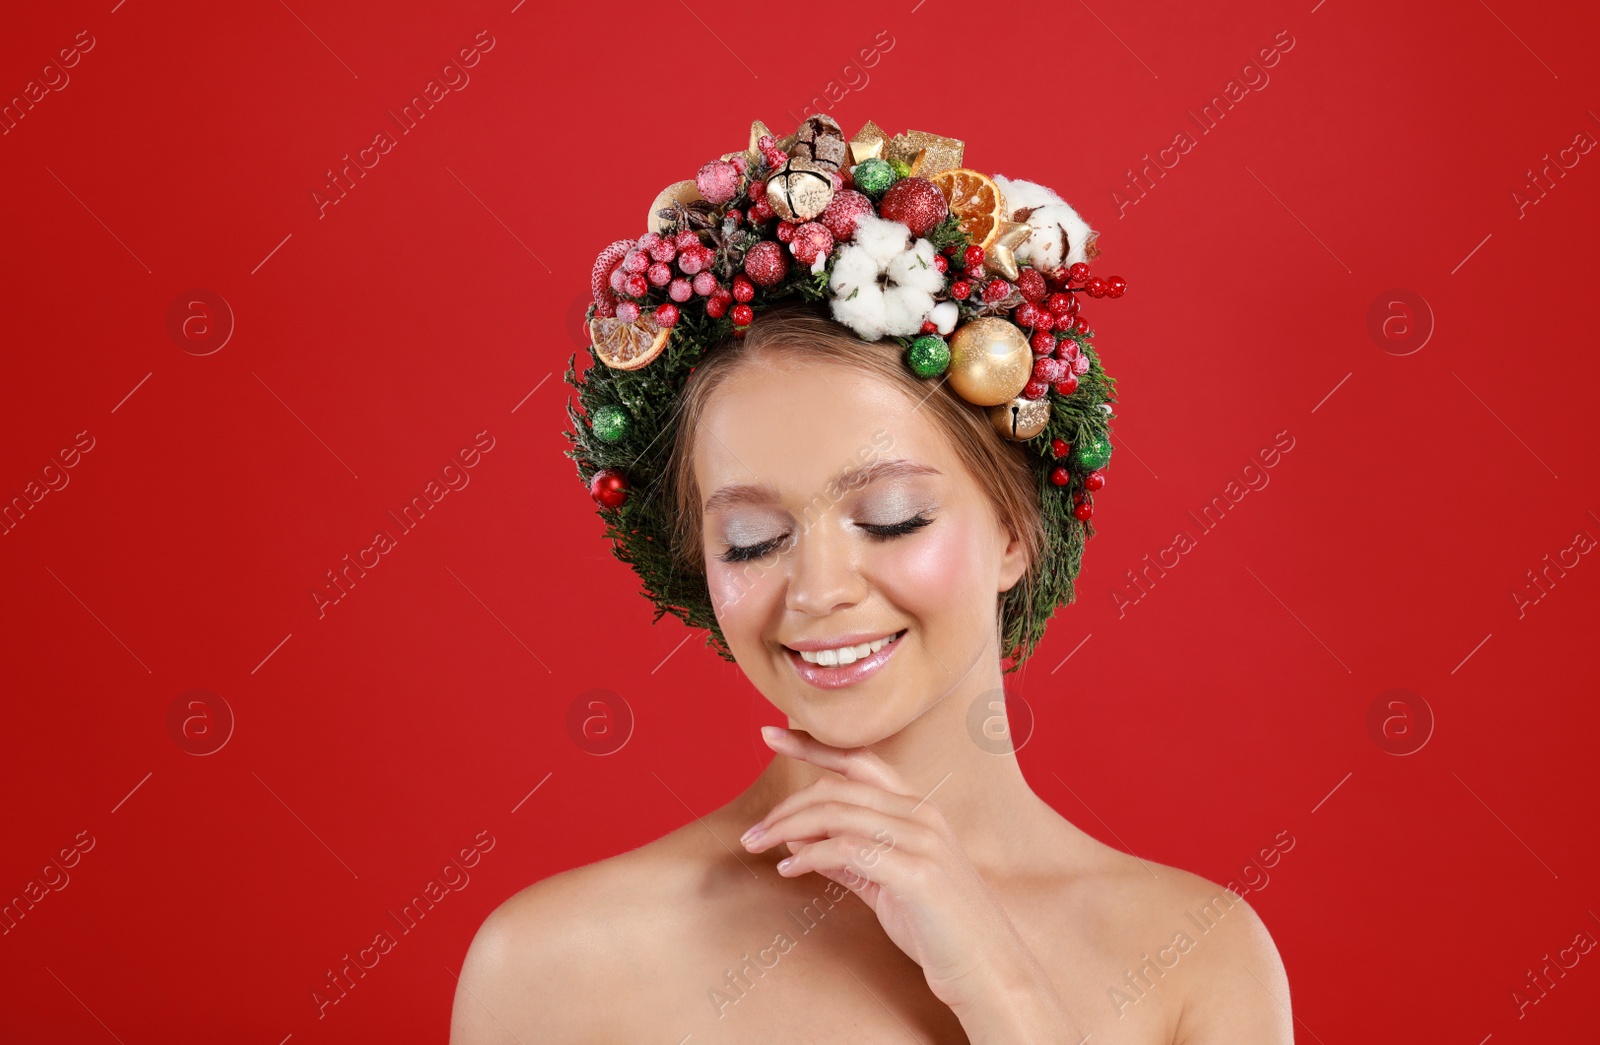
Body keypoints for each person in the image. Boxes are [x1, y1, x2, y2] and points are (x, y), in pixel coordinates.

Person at [450, 118, 1292, 1044]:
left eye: (891, 518)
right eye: (751, 538)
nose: (817, 588)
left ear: (1014, 530)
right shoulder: (555, 967)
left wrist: (1004, 991)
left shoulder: (1198, 960)